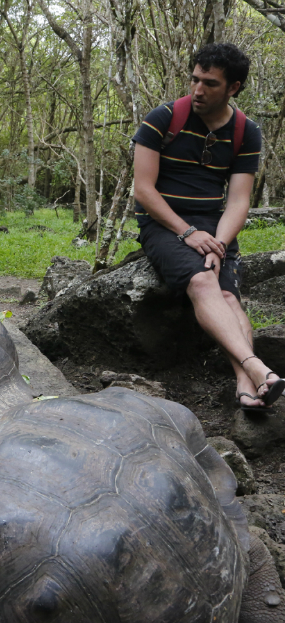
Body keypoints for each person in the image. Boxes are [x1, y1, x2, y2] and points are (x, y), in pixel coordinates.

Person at [132, 42, 284, 412]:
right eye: (195, 79)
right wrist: (187, 233)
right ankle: (256, 368)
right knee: (202, 281)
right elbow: (144, 190)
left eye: (210, 83)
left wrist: (217, 242)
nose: (198, 90)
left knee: (229, 297)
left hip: (215, 228)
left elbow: (238, 202)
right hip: (164, 224)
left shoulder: (246, 131)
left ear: (233, 87)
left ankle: (246, 386)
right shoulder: (163, 118)